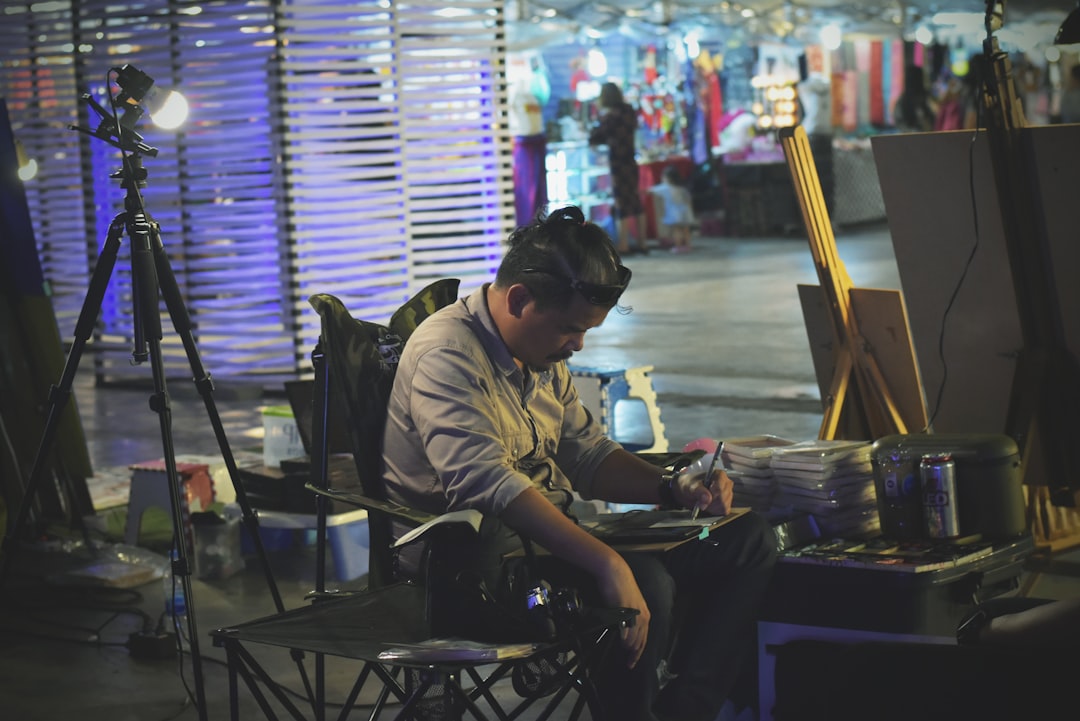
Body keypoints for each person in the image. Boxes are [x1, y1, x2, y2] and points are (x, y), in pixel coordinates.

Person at [381, 205, 778, 721]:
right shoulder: (448, 353)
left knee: (743, 540)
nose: (579, 344)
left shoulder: (540, 356)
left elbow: (588, 455)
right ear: (520, 299)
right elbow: (485, 482)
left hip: (550, 545)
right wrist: (606, 563)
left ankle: (686, 710)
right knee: (643, 584)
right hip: (474, 571)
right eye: (570, 328)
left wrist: (673, 488)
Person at [589, 82, 649, 255]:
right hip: (630, 160)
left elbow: (595, 137)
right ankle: (642, 242)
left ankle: (623, 244)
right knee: (635, 201)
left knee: (621, 202)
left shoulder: (610, 116)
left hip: (617, 163)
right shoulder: (629, 111)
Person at [649, 165, 695, 253]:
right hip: (685, 212)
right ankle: (688, 245)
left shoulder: (666, 188)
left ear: (667, 178)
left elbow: (651, 190)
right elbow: (688, 200)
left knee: (676, 230)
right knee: (686, 229)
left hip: (674, 214)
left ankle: (678, 246)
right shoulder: (682, 188)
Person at [893, 64, 937, 133]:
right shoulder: (927, 98)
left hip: (911, 139)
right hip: (927, 137)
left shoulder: (903, 100)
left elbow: (899, 122)